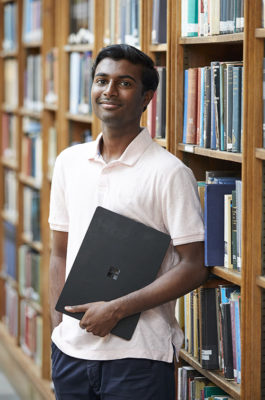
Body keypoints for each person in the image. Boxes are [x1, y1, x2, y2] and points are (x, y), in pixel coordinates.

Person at [49, 44, 208, 400]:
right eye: (102, 80)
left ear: (147, 97)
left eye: (124, 83)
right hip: (70, 354)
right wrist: (57, 332)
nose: (109, 90)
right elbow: (59, 252)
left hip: (139, 357)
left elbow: (195, 267)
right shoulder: (68, 163)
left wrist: (117, 309)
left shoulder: (169, 173)